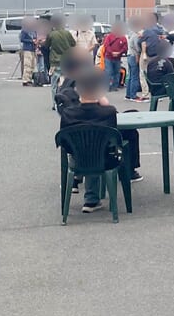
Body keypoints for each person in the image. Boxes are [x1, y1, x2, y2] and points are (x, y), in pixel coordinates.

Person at [57, 68, 141, 213]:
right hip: (108, 158)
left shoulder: (68, 114)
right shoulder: (107, 112)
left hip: (78, 157)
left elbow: (64, 142)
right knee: (109, 147)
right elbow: (114, 136)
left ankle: (90, 197)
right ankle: (127, 174)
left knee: (88, 149)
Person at [46, 14, 75, 79]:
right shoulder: (67, 33)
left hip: (55, 61)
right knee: (65, 80)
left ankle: (55, 89)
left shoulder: (51, 34)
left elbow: (46, 46)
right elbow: (73, 44)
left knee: (54, 81)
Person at [101, 21, 128, 91]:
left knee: (117, 72)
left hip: (118, 58)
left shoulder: (123, 38)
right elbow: (106, 45)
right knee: (108, 72)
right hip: (108, 57)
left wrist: (119, 53)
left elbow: (125, 48)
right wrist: (112, 52)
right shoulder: (109, 36)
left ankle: (114, 86)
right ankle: (106, 86)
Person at [124, 17, 146, 101]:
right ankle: (133, 95)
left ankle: (128, 95)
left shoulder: (131, 34)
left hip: (129, 55)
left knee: (130, 76)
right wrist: (138, 57)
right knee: (135, 76)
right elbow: (137, 48)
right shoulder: (136, 35)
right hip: (134, 56)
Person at [18, 18, 38, 86]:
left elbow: (35, 38)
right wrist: (31, 41)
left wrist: (36, 41)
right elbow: (22, 39)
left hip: (33, 49)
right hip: (27, 49)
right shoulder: (24, 31)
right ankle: (25, 80)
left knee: (32, 65)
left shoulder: (34, 31)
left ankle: (29, 78)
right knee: (27, 64)